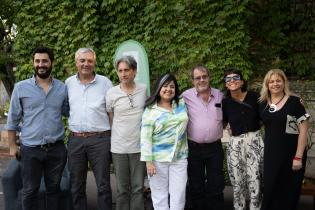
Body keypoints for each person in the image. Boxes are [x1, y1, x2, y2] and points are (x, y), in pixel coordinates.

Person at [6, 46, 68, 210]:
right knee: (30, 190)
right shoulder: (21, 88)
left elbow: (70, 111)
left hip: (56, 149)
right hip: (30, 149)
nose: (41, 64)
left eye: (45, 61)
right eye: (37, 61)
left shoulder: (62, 88)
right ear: (33, 63)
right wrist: (12, 146)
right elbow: (12, 119)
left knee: (54, 190)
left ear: (51, 63)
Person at [66, 48, 113, 210]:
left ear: (94, 62)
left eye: (90, 61)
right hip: (76, 140)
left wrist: (112, 136)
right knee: (76, 184)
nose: (86, 64)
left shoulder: (105, 83)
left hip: (100, 139)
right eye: (82, 60)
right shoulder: (68, 83)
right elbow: (66, 109)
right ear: (76, 62)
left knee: (103, 184)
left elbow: (111, 112)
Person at [259, 69, 310, 210]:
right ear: (267, 84)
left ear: (284, 82)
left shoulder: (294, 102)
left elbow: (304, 129)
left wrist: (298, 157)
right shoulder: (262, 104)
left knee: (289, 193)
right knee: (270, 191)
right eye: (272, 81)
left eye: (278, 80)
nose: (275, 84)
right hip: (271, 156)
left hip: (292, 155)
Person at [140, 73, 189, 210]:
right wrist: (148, 162)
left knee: (178, 195)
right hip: (157, 160)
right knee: (159, 196)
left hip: (179, 158)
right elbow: (145, 138)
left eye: (172, 86)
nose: (168, 89)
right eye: (165, 86)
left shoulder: (181, 104)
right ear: (159, 88)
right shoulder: (150, 110)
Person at [106, 55, 146, 210]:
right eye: (120, 70)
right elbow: (111, 118)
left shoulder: (143, 89)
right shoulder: (111, 93)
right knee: (122, 190)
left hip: (139, 147)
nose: (123, 74)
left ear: (134, 71)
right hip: (119, 148)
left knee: (137, 188)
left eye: (127, 70)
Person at [182, 64, 224, 210]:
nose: (201, 80)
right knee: (196, 185)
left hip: (215, 148)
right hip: (194, 148)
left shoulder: (220, 95)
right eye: (197, 78)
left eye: (204, 77)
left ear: (209, 77)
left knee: (216, 185)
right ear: (193, 81)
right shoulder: (185, 96)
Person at [222, 68, 264, 210]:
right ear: (225, 84)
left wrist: (295, 99)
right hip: (235, 143)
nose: (232, 80)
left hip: (254, 141)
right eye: (228, 79)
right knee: (237, 182)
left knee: (255, 180)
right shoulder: (225, 103)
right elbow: (222, 122)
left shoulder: (255, 97)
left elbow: (273, 106)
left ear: (242, 81)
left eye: (235, 77)